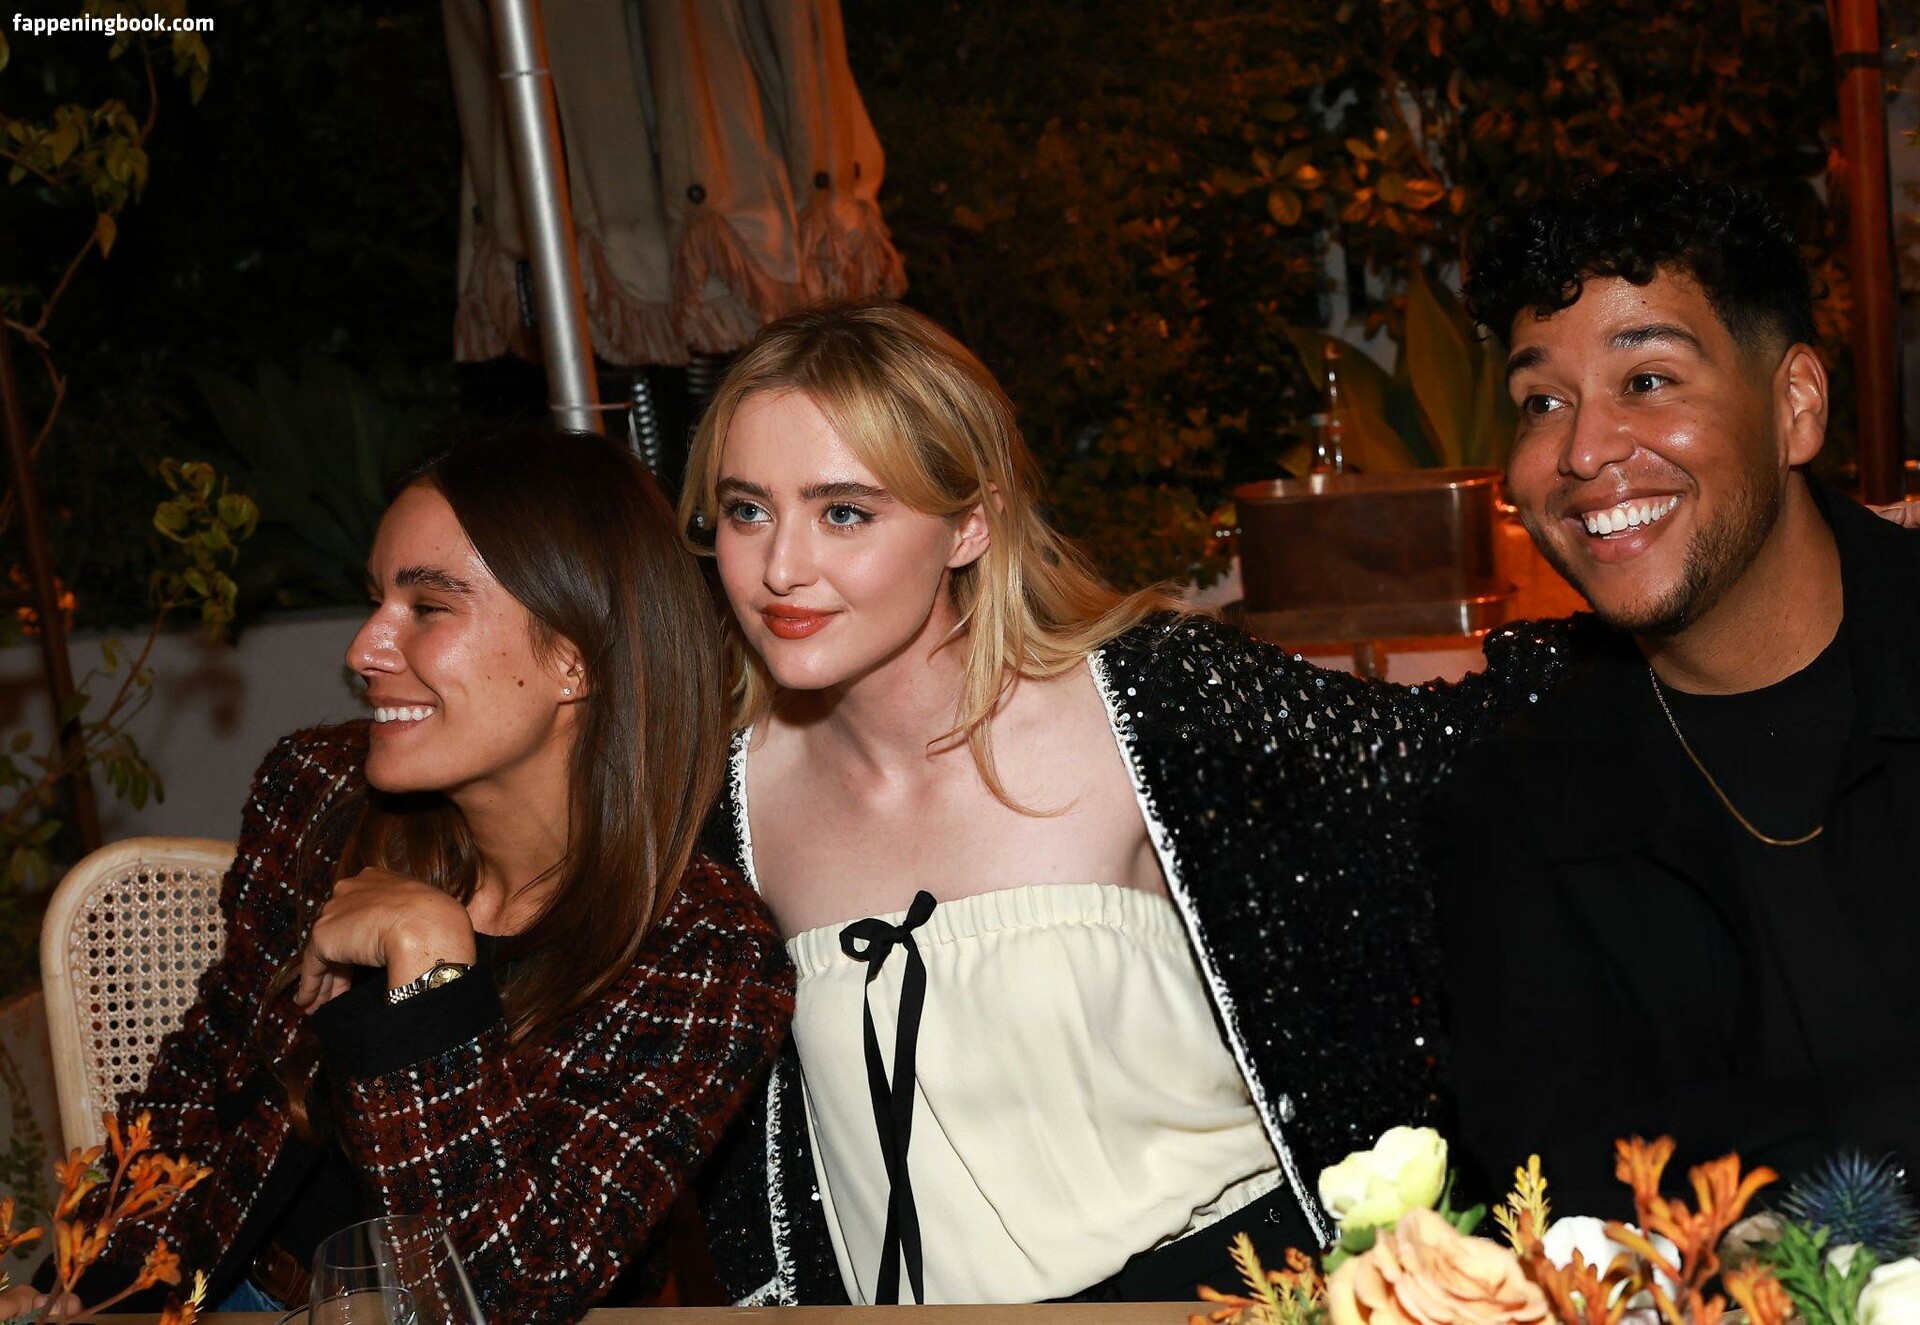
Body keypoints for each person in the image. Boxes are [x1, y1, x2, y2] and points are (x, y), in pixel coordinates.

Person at [678, 301, 1579, 1305]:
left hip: (1226, 1294)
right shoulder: (727, 801)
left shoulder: (1152, 704)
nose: (781, 567)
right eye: (747, 510)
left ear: (971, 522)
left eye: (844, 511)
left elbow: (1463, 755)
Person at [1, 428, 793, 1323]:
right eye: (377, 599)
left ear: (575, 658)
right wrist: (92, 1282)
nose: (364, 648)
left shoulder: (707, 961)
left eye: (428, 606)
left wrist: (429, 969)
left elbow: (506, 1296)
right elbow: (205, 1079)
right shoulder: (320, 795)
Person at [1438, 171, 1920, 1215]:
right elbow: (1567, 1188)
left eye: (1647, 379)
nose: (1584, 451)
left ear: (1795, 406)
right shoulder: (1526, 807)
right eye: (1541, 402)